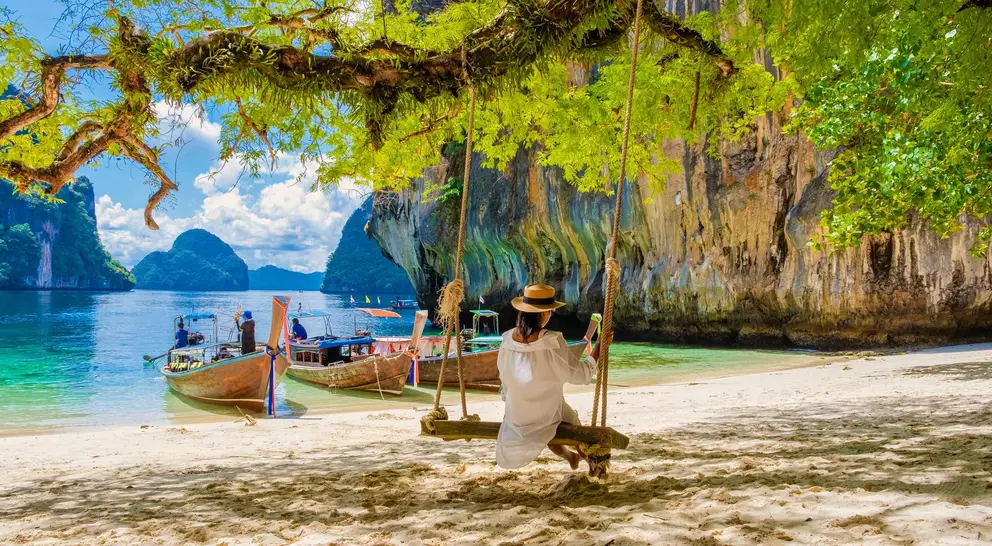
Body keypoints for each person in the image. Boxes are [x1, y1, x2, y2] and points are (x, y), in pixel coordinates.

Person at [495, 284, 605, 473]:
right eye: (551, 312)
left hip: (516, 416)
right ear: (544, 314)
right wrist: (600, 345)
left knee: (553, 419)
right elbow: (581, 374)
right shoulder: (552, 342)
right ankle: (593, 465)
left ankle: (570, 457)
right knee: (569, 423)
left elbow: (504, 378)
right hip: (546, 413)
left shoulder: (507, 340)